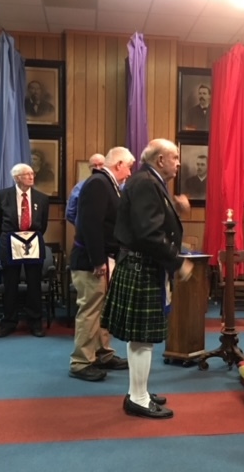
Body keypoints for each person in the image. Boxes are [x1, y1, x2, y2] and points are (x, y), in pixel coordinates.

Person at [101, 138, 194, 419]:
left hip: (142, 266)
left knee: (140, 339)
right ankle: (138, 398)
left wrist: (175, 209)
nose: (178, 163)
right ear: (160, 160)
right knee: (142, 339)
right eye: (175, 157)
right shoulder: (145, 182)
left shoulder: (149, 180)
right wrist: (177, 262)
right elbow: (148, 233)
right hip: (142, 267)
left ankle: (137, 391)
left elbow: (149, 220)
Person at [68, 147, 135, 382]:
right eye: (128, 167)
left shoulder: (107, 184)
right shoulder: (98, 183)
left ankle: (102, 353)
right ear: (118, 164)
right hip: (91, 261)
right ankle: (81, 362)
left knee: (102, 310)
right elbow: (90, 224)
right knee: (90, 311)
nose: (129, 173)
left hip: (104, 258)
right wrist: (97, 259)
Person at [0, 163, 49, 338]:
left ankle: (35, 322)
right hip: (9, 243)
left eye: (32, 173)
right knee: (10, 284)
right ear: (17, 178)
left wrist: (28, 238)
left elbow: (43, 225)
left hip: (33, 243)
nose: (31, 177)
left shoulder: (42, 198)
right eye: (26, 174)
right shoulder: (2, 195)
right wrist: (9, 238)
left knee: (34, 284)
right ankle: (9, 321)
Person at [65, 153, 105, 225]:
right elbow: (70, 213)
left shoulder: (116, 185)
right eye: (94, 165)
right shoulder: (79, 187)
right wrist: (81, 225)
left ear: (106, 166)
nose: (98, 168)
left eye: (101, 164)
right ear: (89, 168)